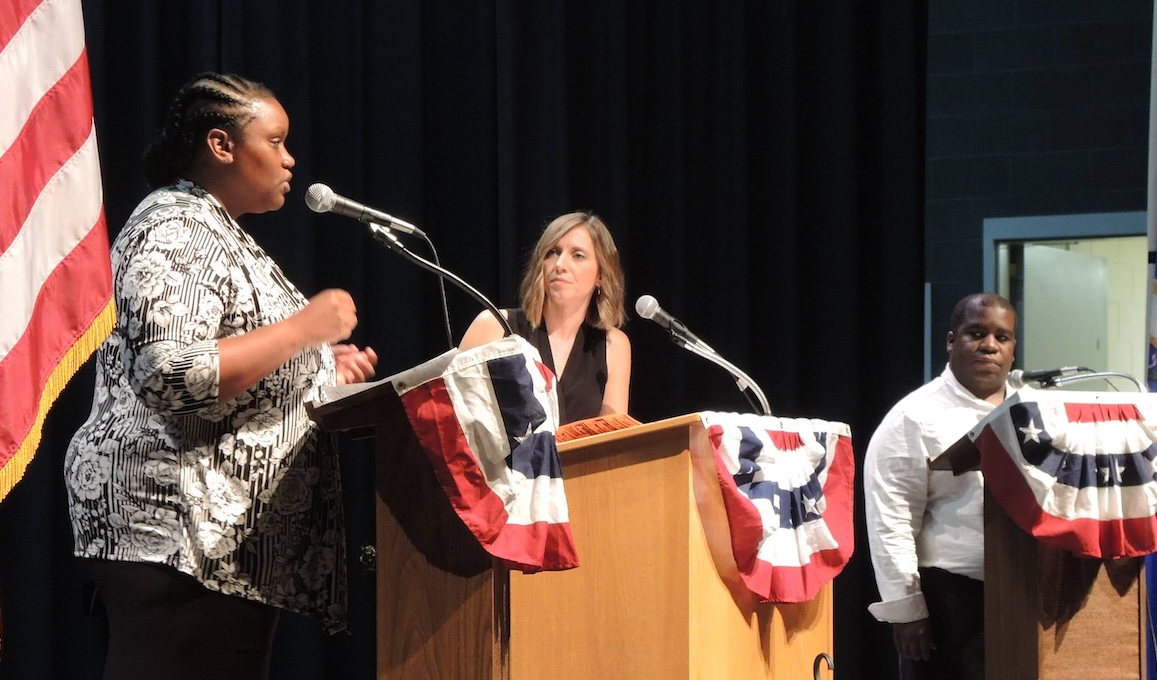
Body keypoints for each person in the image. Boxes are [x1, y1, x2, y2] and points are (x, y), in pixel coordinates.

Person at [62, 72, 378, 680]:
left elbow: (228, 356)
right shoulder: (174, 224)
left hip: (216, 548)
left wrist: (314, 366)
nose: (291, 158)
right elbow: (170, 373)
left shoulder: (215, 231)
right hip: (175, 536)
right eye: (277, 140)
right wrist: (306, 330)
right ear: (221, 144)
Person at [863, 292, 1018, 680]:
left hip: (1023, 591)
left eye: (1002, 337)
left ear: (1013, 350)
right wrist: (906, 608)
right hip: (949, 599)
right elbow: (891, 518)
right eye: (976, 333)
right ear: (951, 341)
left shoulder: (1030, 411)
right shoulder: (914, 417)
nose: (989, 345)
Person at [458, 211, 631, 424]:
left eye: (578, 255)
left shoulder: (614, 345)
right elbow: (452, 419)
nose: (560, 265)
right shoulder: (494, 326)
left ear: (601, 276)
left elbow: (614, 444)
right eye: (552, 252)